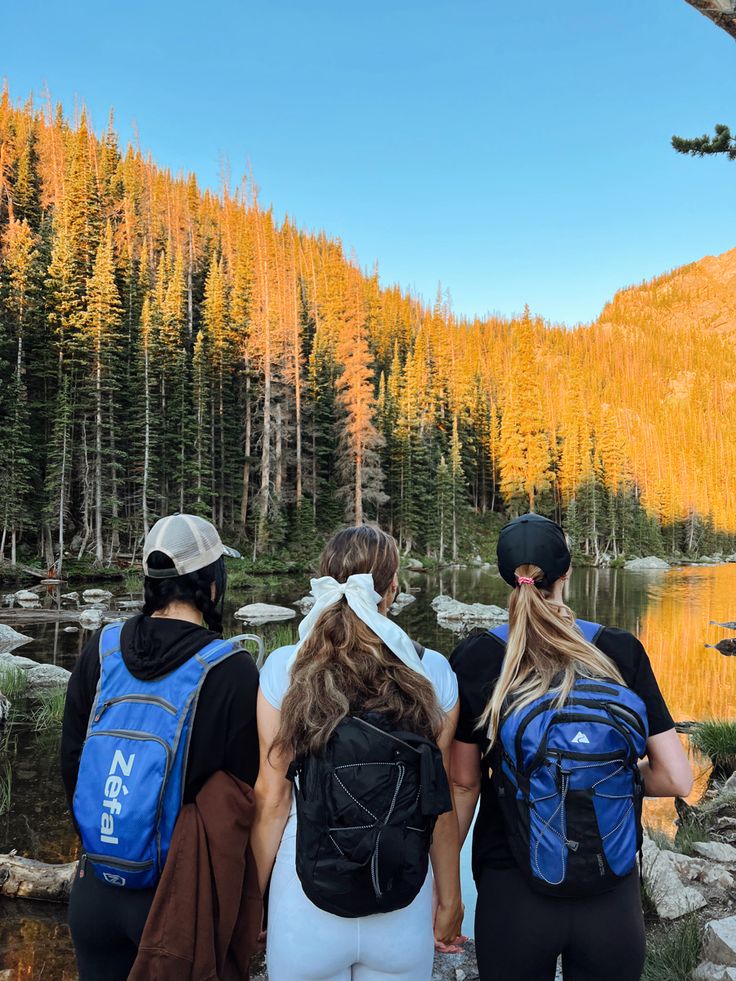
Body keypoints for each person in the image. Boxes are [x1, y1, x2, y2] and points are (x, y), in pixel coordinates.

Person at [450, 514, 693, 981]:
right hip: (610, 892)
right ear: (566, 573)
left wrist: (445, 889)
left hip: (513, 887)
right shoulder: (619, 649)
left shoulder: (478, 656)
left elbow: (464, 783)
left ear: (507, 577)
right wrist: (602, 780)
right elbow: (677, 778)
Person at [252, 525, 464, 981]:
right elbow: (439, 798)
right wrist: (450, 898)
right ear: (391, 590)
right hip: (400, 897)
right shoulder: (433, 670)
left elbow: (272, 799)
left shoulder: (283, 668)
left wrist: (253, 898)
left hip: (305, 896)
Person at [61, 514, 260, 981]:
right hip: (174, 899)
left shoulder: (101, 649)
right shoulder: (231, 670)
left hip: (94, 892)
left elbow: (72, 760)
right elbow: (245, 799)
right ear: (212, 584)